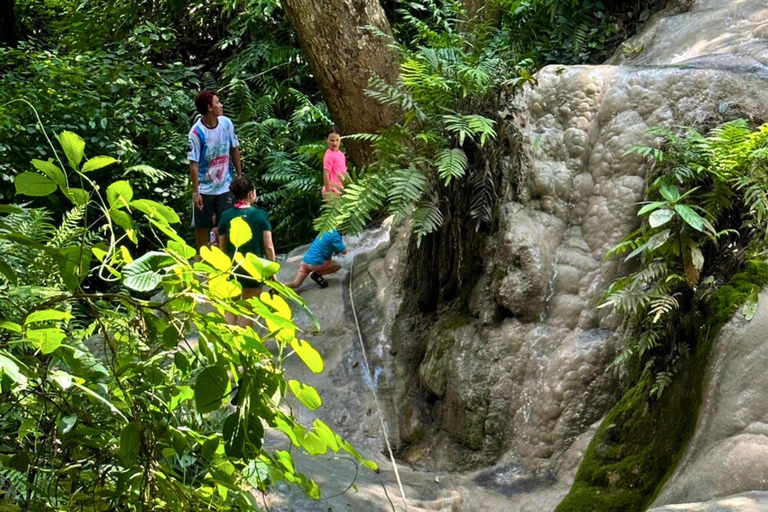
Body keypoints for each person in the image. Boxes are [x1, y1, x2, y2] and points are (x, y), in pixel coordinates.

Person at [188, 89, 242, 249]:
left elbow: (234, 148)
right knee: (202, 226)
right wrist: (196, 191)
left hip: (225, 185)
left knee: (226, 223)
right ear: (209, 107)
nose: (221, 105)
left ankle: (225, 256)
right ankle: (203, 258)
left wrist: (239, 175)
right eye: (218, 102)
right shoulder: (196, 132)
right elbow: (194, 164)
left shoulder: (226, 123)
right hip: (205, 188)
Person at [217, 177, 275, 326]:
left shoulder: (225, 216)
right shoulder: (260, 215)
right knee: (248, 310)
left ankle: (229, 344)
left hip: (232, 269)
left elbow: (222, 247)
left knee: (230, 309)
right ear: (250, 194)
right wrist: (272, 273)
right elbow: (268, 246)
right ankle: (243, 347)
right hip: (253, 270)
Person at [322, 125, 348, 200]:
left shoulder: (341, 154)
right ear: (326, 139)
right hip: (332, 191)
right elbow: (326, 173)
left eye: (337, 140)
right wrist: (329, 192)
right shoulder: (329, 155)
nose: (335, 143)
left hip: (340, 190)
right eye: (332, 140)